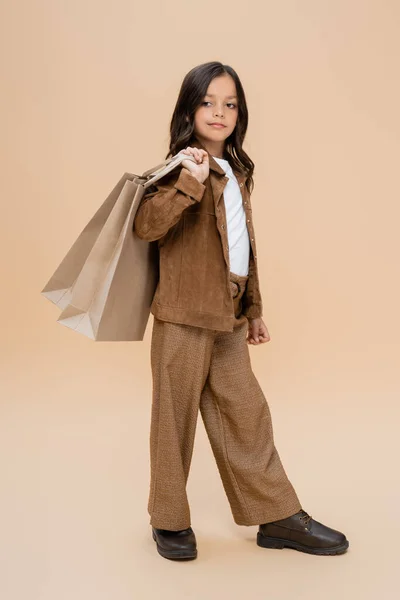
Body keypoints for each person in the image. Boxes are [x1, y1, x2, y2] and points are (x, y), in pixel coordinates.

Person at [134, 61, 349, 561]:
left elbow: (243, 247)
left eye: (230, 104)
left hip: (227, 316)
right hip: (183, 316)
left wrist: (253, 309)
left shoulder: (238, 170)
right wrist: (188, 182)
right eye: (209, 102)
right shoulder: (178, 168)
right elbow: (147, 226)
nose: (220, 112)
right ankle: (168, 520)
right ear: (190, 108)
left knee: (247, 414)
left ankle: (276, 516)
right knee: (174, 419)